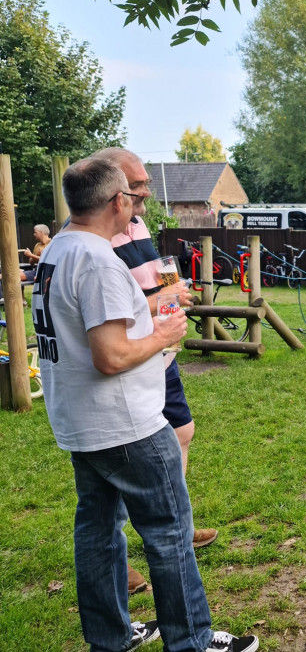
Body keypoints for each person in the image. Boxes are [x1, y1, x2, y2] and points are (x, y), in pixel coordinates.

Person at [31, 158, 258, 652]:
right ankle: (193, 641)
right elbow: (110, 356)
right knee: (170, 533)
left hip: (81, 423)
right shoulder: (96, 261)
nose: (137, 203)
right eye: (132, 197)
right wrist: (162, 335)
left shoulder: (56, 253)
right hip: (126, 426)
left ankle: (110, 638)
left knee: (98, 533)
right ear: (118, 202)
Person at [92, 146, 217, 595]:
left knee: (182, 433)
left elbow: (155, 267)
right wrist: (161, 305)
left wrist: (173, 288)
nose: (147, 190)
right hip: (135, 355)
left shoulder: (137, 221)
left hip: (161, 353)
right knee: (124, 466)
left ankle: (176, 526)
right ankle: (121, 554)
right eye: (138, 184)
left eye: (146, 181)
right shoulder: (97, 235)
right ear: (114, 189)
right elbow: (115, 311)